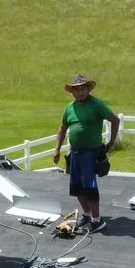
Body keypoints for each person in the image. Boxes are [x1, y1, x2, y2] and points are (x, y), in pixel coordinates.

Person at [51, 74, 121, 228]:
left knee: (90, 185)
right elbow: (62, 129)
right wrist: (57, 150)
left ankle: (97, 219)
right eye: (77, 90)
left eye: (83, 89)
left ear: (88, 90)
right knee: (76, 186)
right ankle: (88, 214)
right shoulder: (69, 108)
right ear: (72, 92)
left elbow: (115, 120)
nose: (80, 92)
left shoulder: (96, 105)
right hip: (75, 152)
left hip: (90, 152)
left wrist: (111, 142)